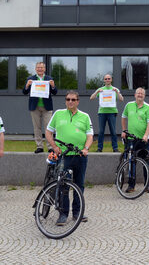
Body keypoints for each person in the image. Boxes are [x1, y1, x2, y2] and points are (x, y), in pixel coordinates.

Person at [46, 90, 93, 225]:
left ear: (78, 101)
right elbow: (48, 131)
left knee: (79, 185)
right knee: (63, 186)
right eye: (68, 99)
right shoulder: (58, 114)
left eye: (73, 99)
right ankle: (63, 214)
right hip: (64, 156)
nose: (70, 102)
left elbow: (90, 135)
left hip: (80, 156)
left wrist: (86, 149)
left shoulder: (85, 116)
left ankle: (77, 212)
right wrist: (54, 146)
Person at [121, 87, 149, 193]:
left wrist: (146, 135)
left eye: (142, 94)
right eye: (138, 93)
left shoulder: (148, 107)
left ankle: (148, 185)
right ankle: (131, 186)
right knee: (131, 163)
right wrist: (124, 130)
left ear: (144, 96)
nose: (140, 95)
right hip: (130, 139)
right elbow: (123, 117)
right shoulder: (128, 105)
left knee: (146, 162)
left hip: (143, 140)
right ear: (135, 95)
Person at [23, 61, 58, 153]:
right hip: (35, 107)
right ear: (35, 69)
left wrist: (53, 86)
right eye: (38, 67)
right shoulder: (30, 79)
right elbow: (24, 92)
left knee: (49, 127)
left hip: (47, 107)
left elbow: (55, 92)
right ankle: (39, 146)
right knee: (37, 127)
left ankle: (50, 147)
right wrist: (27, 85)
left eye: (41, 67)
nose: (40, 69)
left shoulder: (49, 78)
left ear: (44, 69)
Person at [89, 74, 123, 152]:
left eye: (109, 78)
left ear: (111, 80)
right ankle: (99, 148)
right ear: (104, 80)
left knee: (113, 131)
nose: (107, 80)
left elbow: (121, 99)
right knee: (101, 131)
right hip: (102, 113)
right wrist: (97, 91)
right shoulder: (100, 89)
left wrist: (117, 93)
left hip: (112, 112)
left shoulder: (115, 89)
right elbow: (91, 98)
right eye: (106, 79)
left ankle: (115, 148)